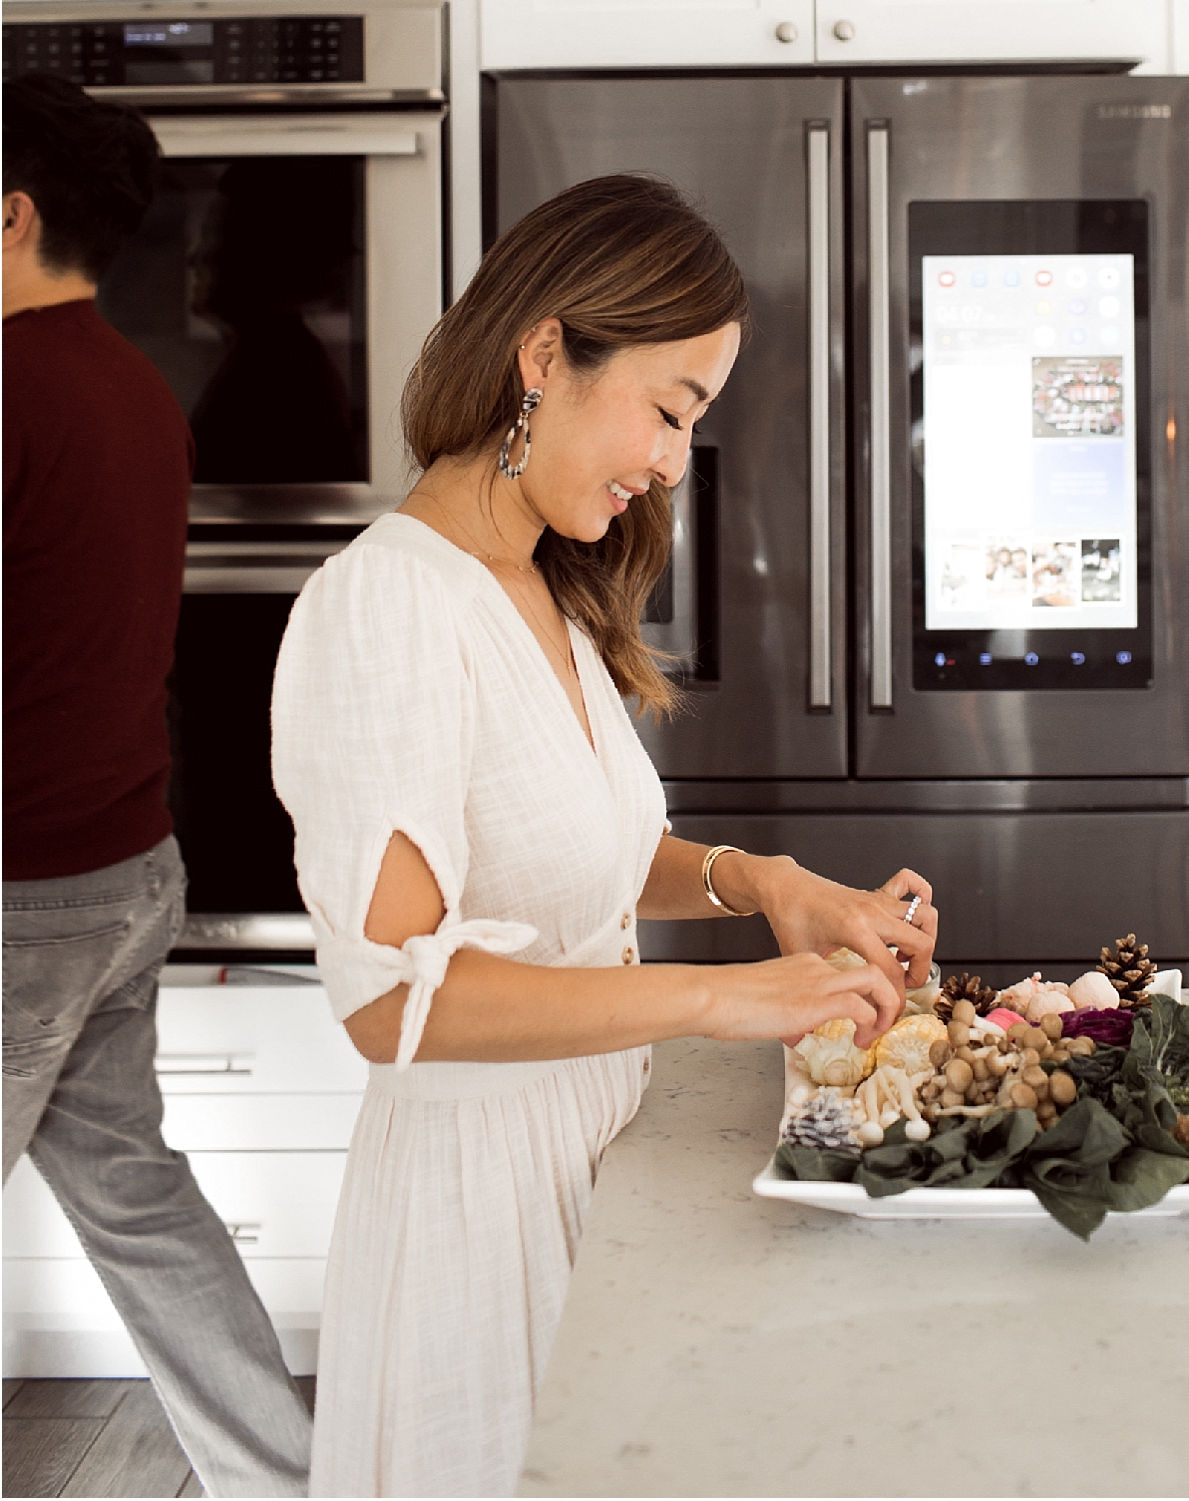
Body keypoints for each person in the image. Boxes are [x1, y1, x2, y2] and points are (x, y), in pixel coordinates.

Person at [271, 174, 939, 1499]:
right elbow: (398, 1002)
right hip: (478, 1214)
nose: (674, 459)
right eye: (670, 407)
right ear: (545, 355)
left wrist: (764, 885)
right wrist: (724, 999)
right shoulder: (388, 609)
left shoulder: (543, 587)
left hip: (595, 1162)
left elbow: (563, 850)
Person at [2, 73, 314, 1498]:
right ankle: (283, 1476)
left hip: (21, 891)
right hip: (124, 874)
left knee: (138, 1202)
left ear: (8, 215)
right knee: (138, 1204)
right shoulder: (135, 389)